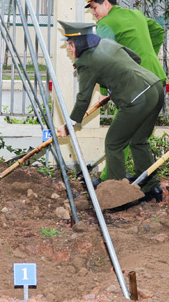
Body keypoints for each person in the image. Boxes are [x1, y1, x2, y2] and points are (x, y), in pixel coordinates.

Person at [54, 21, 162, 205]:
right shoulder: (107, 43)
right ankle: (151, 186)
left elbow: (83, 97)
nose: (69, 48)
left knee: (113, 143)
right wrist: (116, 83)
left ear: (79, 44)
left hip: (137, 99)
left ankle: (117, 196)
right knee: (138, 141)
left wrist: (70, 124)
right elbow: (135, 59)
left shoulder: (86, 62)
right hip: (155, 88)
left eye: (70, 44)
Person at [82, 0, 166, 180]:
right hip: (156, 79)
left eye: (94, 7)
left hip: (135, 86)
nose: (94, 13)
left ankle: (109, 181)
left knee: (117, 139)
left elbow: (105, 59)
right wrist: (148, 55)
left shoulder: (105, 24)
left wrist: (104, 90)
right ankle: (148, 183)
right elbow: (158, 31)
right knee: (139, 138)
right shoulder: (136, 14)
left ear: (106, 3)